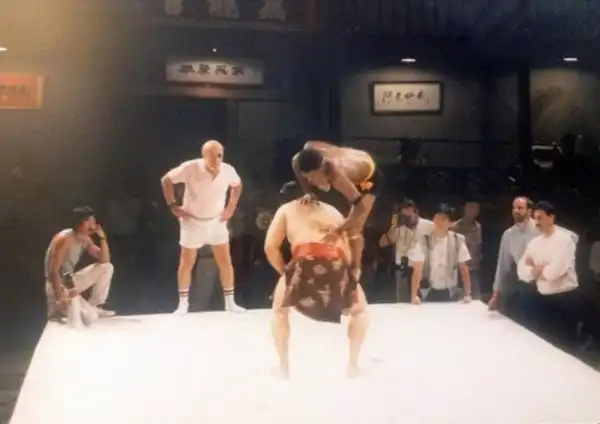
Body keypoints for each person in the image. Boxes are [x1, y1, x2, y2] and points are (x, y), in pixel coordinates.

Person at [264, 186, 369, 379]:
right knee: (360, 311)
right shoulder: (332, 210)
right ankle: (353, 364)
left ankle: (283, 367)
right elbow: (354, 239)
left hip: (305, 259)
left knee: (279, 311)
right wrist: (353, 271)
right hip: (338, 262)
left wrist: (285, 273)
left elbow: (270, 247)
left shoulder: (286, 209)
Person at [161, 140, 245, 314]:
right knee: (187, 262)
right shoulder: (191, 167)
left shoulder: (228, 170)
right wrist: (172, 205)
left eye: (219, 155)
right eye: (213, 155)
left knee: (225, 261)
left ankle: (230, 302)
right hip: (192, 221)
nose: (217, 159)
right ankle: (183, 303)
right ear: (204, 155)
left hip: (216, 221)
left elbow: (237, 185)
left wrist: (231, 207)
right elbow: (166, 180)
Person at [291, 141, 384, 281]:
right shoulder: (303, 155)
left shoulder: (337, 177)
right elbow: (297, 166)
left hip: (369, 178)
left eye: (312, 176)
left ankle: (356, 269)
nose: (309, 180)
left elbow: (360, 208)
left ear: (321, 169)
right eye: (306, 177)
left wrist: (338, 230)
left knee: (354, 228)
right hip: (354, 158)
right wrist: (309, 192)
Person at [517, 201, 600, 345]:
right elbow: (521, 270)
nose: (537, 222)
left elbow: (556, 270)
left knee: (563, 344)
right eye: (535, 218)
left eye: (540, 218)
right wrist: (536, 270)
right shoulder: (534, 243)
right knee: (543, 343)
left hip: (564, 299)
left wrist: (537, 269)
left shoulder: (564, 240)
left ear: (551, 218)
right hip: (542, 297)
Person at [487, 197, 578, 323]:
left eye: (520, 208)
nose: (515, 211)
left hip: (555, 287)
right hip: (527, 285)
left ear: (529, 211)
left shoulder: (542, 226)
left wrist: (554, 258)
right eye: (514, 208)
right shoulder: (509, 235)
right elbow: (503, 266)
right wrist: (496, 293)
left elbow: (572, 237)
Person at [44, 206, 115, 322]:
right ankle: (59, 309)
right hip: (56, 287)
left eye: (93, 222)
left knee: (107, 267)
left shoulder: (84, 238)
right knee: (88, 317)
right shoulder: (64, 239)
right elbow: (53, 271)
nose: (93, 226)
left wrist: (102, 237)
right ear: (79, 223)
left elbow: (105, 259)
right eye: (89, 222)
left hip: (69, 282)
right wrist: (59, 298)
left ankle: (95, 306)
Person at [409, 203, 472, 304]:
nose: (439, 222)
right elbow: (417, 270)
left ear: (450, 223)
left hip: (452, 293)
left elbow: (464, 269)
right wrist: (414, 296)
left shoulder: (457, 240)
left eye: (443, 219)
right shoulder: (424, 240)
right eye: (436, 218)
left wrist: (467, 294)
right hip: (428, 293)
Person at [378, 199, 433, 302]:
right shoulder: (398, 228)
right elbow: (382, 243)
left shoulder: (426, 225)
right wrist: (393, 227)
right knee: (403, 303)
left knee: (422, 302)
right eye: (404, 216)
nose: (407, 219)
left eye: (409, 216)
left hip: (420, 269)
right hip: (402, 269)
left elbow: (442, 231)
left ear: (415, 212)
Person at [451, 198, 482, 299]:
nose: (473, 211)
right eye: (470, 208)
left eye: (476, 209)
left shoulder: (478, 227)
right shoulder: (454, 227)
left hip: (473, 269)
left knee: (476, 298)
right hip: (458, 271)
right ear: (465, 209)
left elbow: (478, 246)